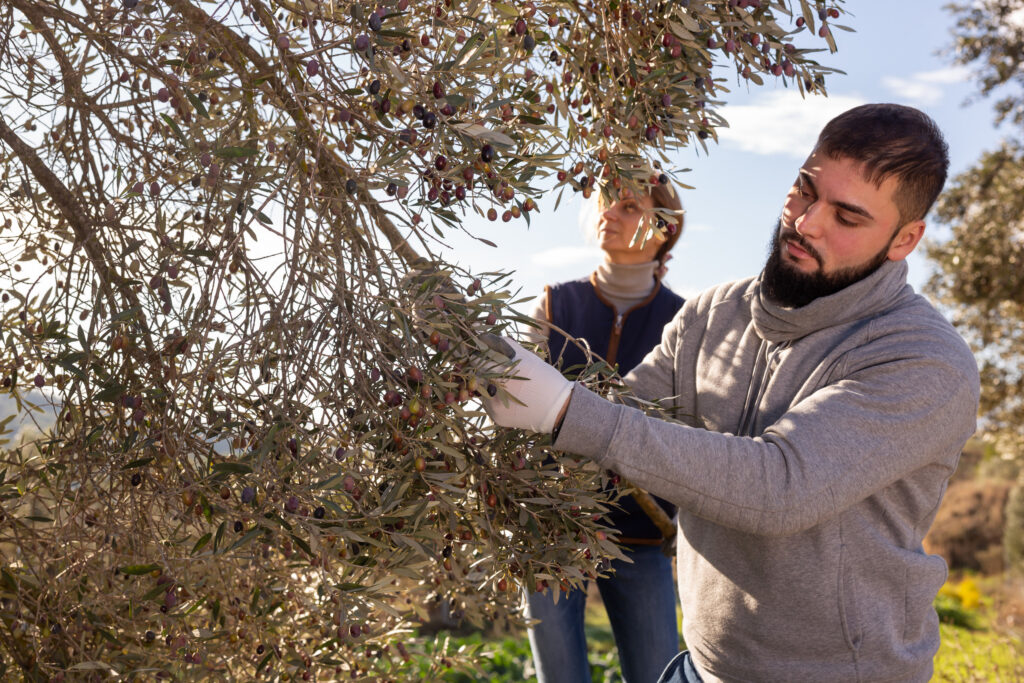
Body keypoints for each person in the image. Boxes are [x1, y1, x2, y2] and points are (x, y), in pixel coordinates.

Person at [480, 104, 980, 682]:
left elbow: (781, 487)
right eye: (804, 189)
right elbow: (624, 413)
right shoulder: (714, 314)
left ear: (905, 239)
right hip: (700, 668)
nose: (807, 222)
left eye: (847, 216)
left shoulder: (923, 360)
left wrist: (563, 408)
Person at [523, 181, 685, 683]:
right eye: (604, 203)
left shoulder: (684, 322)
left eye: (629, 206)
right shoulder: (554, 306)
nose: (609, 213)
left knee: (659, 674)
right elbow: (518, 408)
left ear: (665, 229)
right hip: (550, 531)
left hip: (642, 532)